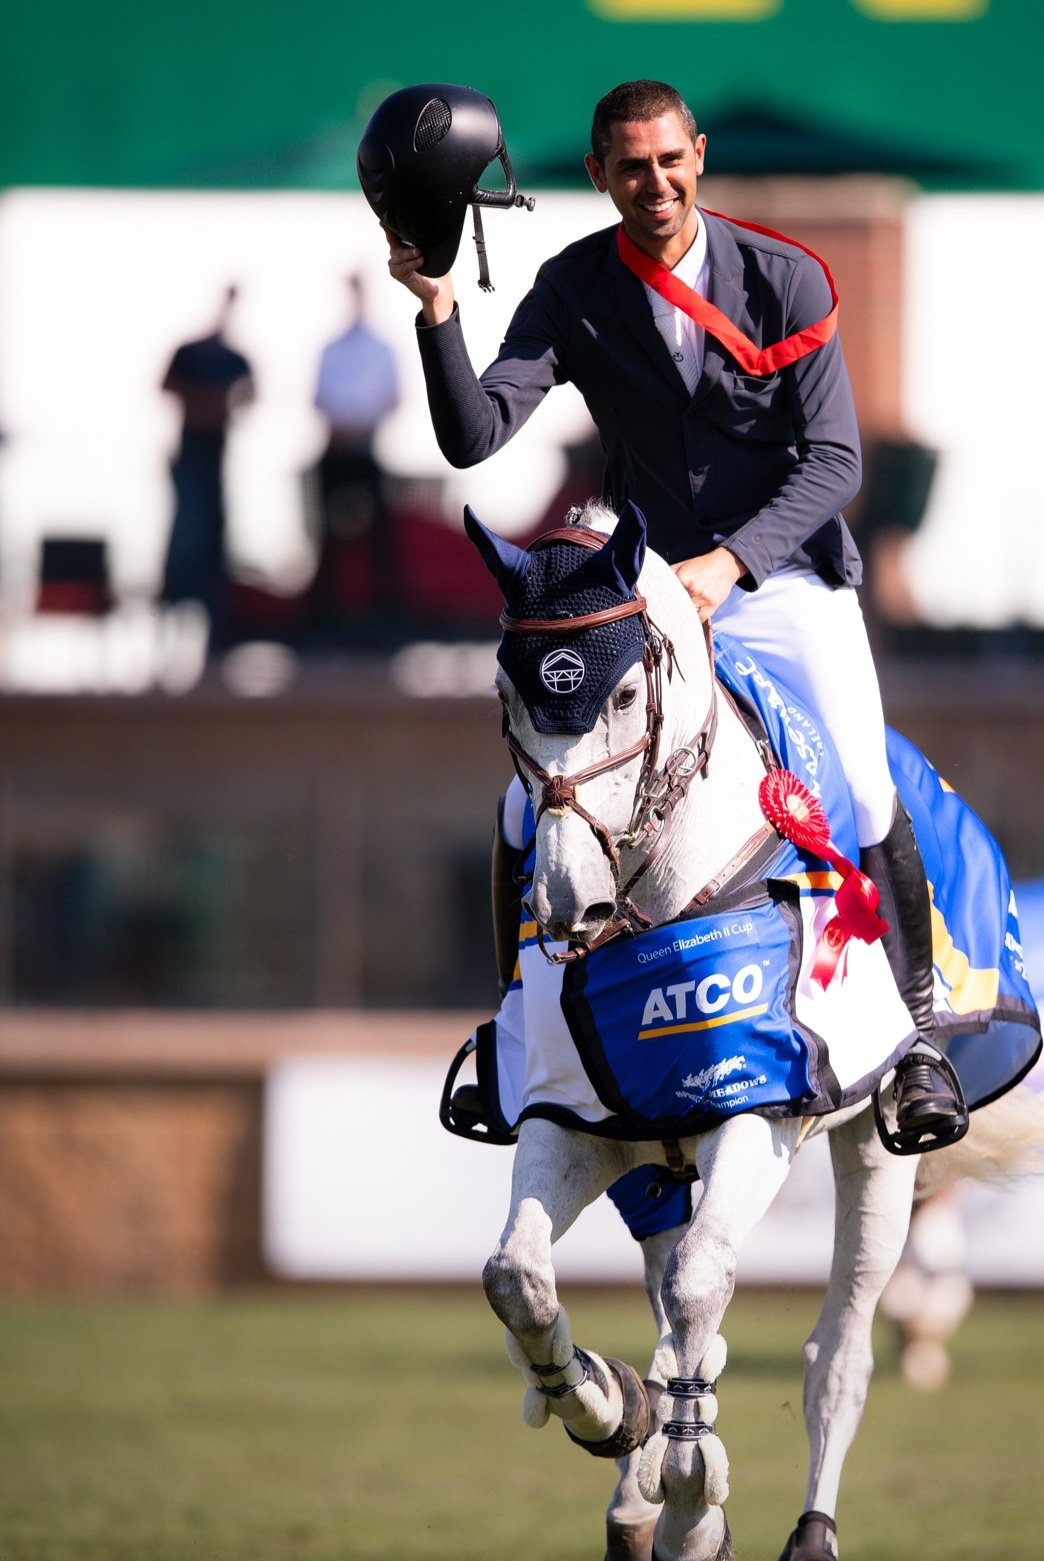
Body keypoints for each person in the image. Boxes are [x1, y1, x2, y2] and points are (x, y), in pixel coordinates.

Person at [384, 78, 966, 1151]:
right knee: (531, 806)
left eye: (670, 161)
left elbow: (837, 461)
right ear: (599, 175)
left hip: (785, 576)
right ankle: (517, 1035)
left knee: (864, 778)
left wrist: (731, 564)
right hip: (651, 585)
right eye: (629, 167)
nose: (653, 184)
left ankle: (919, 1041)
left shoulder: (782, 277)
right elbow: (475, 437)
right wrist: (436, 307)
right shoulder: (573, 286)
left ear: (697, 157)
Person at [158, 285, 254, 644]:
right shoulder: (190, 352)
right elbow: (165, 385)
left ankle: (214, 623)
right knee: (185, 534)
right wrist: (207, 401)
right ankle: (172, 609)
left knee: (212, 534)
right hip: (189, 453)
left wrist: (225, 405)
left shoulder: (234, 358)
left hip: (216, 455)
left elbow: (251, 395)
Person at [309, 273, 402, 634]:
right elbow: (318, 399)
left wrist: (357, 428)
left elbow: (391, 399)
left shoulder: (379, 349)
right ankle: (326, 612)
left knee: (380, 538)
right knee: (327, 536)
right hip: (336, 452)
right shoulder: (332, 348)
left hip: (364, 452)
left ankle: (384, 612)